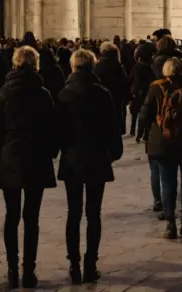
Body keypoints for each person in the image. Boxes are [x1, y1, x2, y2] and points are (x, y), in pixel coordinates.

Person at [0, 46, 58, 290]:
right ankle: (29, 271)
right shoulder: (42, 93)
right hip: (37, 159)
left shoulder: (4, 93)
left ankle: (11, 269)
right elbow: (52, 128)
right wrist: (51, 152)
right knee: (31, 218)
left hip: (11, 158)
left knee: (11, 216)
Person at [57, 49, 123, 284]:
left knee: (73, 213)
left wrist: (63, 150)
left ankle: (74, 265)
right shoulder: (102, 94)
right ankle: (90, 264)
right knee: (93, 213)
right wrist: (114, 153)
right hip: (96, 157)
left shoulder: (64, 94)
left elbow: (59, 130)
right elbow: (112, 127)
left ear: (73, 67)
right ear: (93, 67)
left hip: (72, 159)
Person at [140, 57, 182, 239]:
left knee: (168, 183)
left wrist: (151, 130)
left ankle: (170, 224)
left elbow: (144, 114)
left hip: (162, 141)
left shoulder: (156, 88)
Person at [94, 42, 129, 134]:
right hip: (116, 98)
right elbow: (124, 83)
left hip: (101, 99)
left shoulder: (98, 65)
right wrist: (126, 98)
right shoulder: (118, 66)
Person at [129, 42, 155, 141]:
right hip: (146, 92)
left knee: (136, 113)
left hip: (137, 92)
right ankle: (144, 134)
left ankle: (133, 131)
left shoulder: (137, 67)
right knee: (145, 114)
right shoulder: (151, 68)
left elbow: (131, 79)